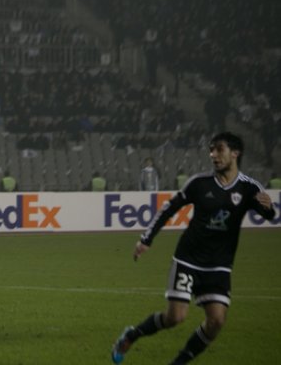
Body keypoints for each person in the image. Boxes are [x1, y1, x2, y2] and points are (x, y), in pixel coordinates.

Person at [111, 132, 276, 364]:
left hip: (220, 265)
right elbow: (168, 208)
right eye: (211, 150)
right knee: (175, 317)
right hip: (188, 259)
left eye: (219, 149)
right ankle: (131, 335)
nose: (213, 155)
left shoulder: (249, 188)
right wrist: (146, 239)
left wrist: (269, 209)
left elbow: (268, 213)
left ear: (235, 153)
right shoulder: (200, 183)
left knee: (217, 321)